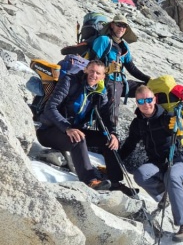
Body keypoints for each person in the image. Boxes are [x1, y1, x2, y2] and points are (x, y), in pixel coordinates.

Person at [36, 60, 133, 194]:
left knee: (108, 140)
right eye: (91, 71)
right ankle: (90, 180)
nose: (94, 75)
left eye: (98, 73)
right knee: (79, 139)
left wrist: (113, 134)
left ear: (103, 77)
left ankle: (115, 182)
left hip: (72, 131)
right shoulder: (70, 81)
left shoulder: (100, 93)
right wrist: (67, 128)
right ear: (85, 70)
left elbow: (105, 118)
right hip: (49, 131)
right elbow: (50, 108)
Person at [119, 85, 183, 242]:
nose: (146, 104)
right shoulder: (138, 123)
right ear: (137, 103)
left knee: (172, 177)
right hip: (157, 164)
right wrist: (115, 159)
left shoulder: (167, 116)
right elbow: (130, 144)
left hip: (178, 160)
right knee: (140, 175)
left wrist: (181, 125)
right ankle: (165, 198)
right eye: (141, 101)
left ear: (154, 99)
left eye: (148, 99)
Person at [90, 14, 152, 127]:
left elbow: (131, 68)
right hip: (105, 82)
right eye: (119, 25)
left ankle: (148, 123)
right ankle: (110, 134)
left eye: (124, 26)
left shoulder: (123, 46)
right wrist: (108, 70)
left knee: (148, 89)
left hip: (120, 82)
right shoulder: (103, 40)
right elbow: (92, 63)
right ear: (112, 25)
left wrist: (148, 80)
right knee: (112, 110)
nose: (121, 28)